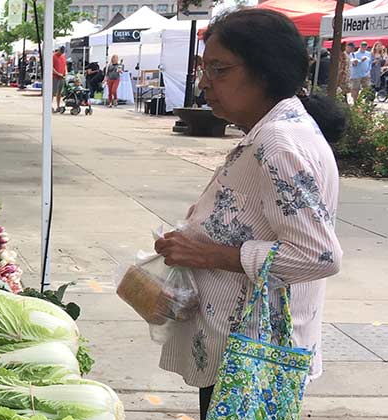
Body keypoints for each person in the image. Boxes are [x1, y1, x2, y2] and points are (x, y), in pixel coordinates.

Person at [153, 9, 345, 420]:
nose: (205, 83)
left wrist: (205, 255)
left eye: (219, 70)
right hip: (236, 348)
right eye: (203, 69)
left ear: (265, 70)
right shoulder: (269, 131)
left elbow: (318, 256)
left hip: (251, 354)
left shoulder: (279, 143)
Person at [52, 46, 67, 111]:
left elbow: (65, 65)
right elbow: (51, 67)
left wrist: (66, 72)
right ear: (58, 50)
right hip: (54, 77)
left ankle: (58, 106)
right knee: (52, 92)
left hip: (62, 77)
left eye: (62, 52)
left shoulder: (63, 57)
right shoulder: (53, 56)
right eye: (60, 51)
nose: (61, 53)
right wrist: (57, 73)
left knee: (59, 93)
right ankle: (50, 106)